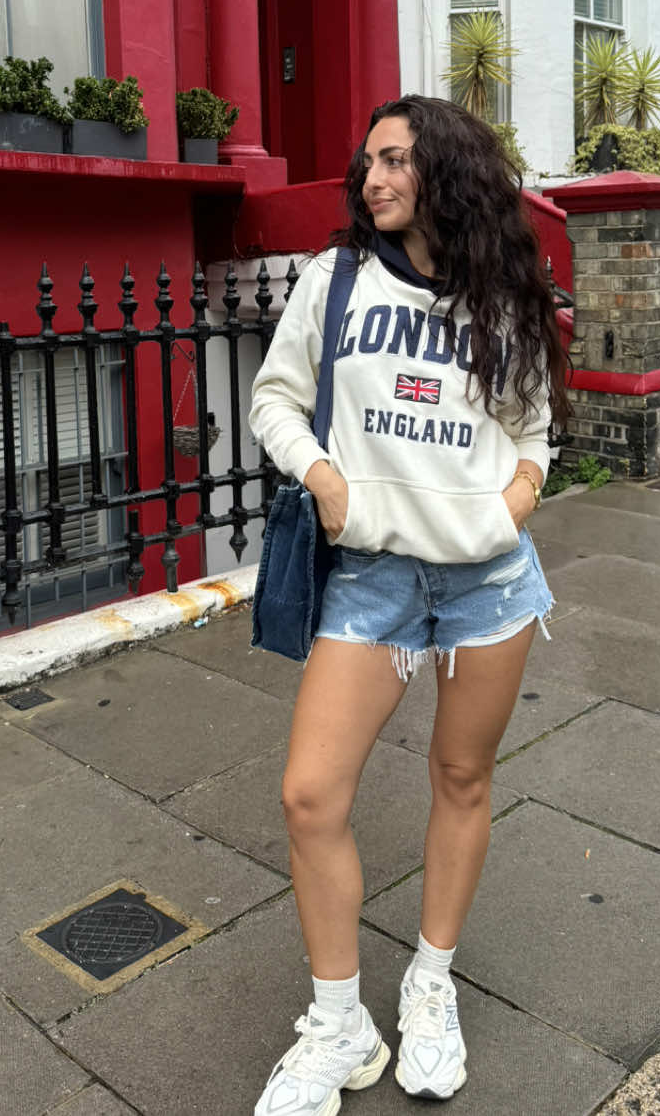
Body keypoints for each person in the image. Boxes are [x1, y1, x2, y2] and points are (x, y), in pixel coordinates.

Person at [248, 95, 569, 1113]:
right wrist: (323, 478)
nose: (372, 178)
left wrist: (515, 499)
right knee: (310, 795)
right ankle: (337, 1022)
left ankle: (431, 983)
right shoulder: (335, 279)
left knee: (462, 777)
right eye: (368, 163)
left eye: (394, 160)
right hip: (374, 576)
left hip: (486, 580)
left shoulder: (501, 296)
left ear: (446, 171)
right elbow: (274, 397)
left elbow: (533, 426)